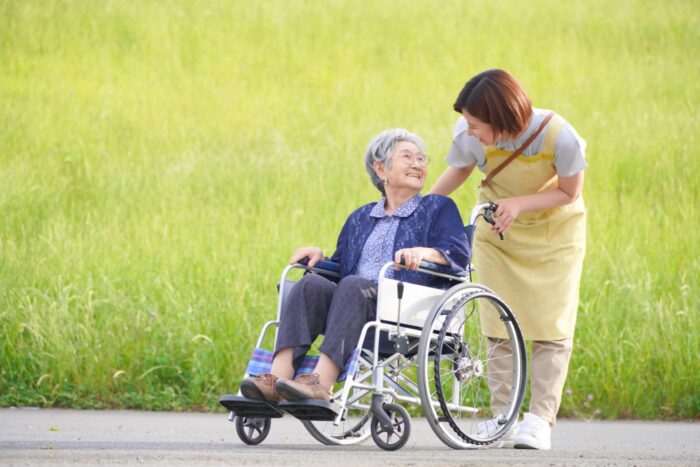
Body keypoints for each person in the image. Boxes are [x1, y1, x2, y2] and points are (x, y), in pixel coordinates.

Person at [240, 128, 470, 403]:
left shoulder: (437, 207)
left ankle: (321, 383)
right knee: (311, 283)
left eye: (421, 159)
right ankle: (276, 380)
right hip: (352, 305)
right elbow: (340, 266)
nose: (417, 164)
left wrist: (423, 253)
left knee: (353, 285)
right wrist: (317, 257)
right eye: (407, 157)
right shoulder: (360, 218)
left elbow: (458, 254)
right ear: (380, 169)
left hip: (403, 308)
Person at [429, 69, 587, 450]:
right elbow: (461, 169)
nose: (469, 132)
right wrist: (423, 211)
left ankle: (539, 420)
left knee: (551, 326)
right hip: (498, 232)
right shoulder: (470, 137)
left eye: (475, 124)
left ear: (501, 119)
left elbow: (569, 192)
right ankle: (504, 417)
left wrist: (519, 203)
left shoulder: (558, 135)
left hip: (555, 234)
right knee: (497, 320)